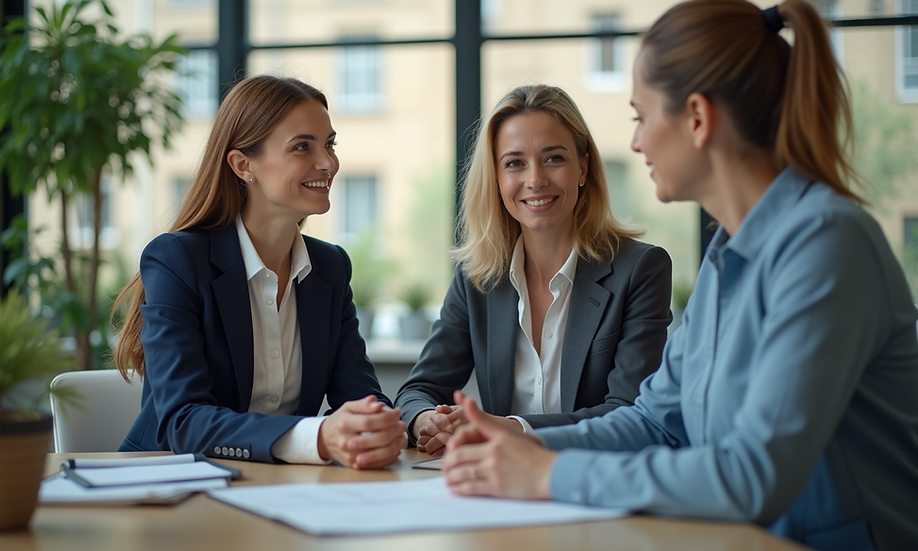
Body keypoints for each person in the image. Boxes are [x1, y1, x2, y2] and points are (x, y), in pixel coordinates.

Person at [440, 1, 918, 549]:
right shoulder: (727, 256)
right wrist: (526, 448)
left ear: (696, 117)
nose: (637, 142)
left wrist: (547, 475)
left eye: (641, 116)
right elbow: (656, 423)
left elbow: (752, 476)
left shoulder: (827, 243)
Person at [112, 75, 406, 469]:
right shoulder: (176, 260)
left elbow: (360, 399)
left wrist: (392, 427)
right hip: (167, 488)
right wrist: (318, 437)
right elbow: (183, 423)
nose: (328, 162)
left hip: (279, 492)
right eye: (303, 146)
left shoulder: (330, 268)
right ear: (243, 165)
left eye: (329, 144)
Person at [395, 84, 673, 456]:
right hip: (499, 486)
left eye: (554, 158)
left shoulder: (640, 269)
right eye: (514, 163)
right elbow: (418, 390)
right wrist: (430, 420)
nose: (535, 179)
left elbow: (628, 412)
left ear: (583, 167)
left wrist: (509, 427)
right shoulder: (477, 276)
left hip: (592, 483)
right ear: (495, 178)